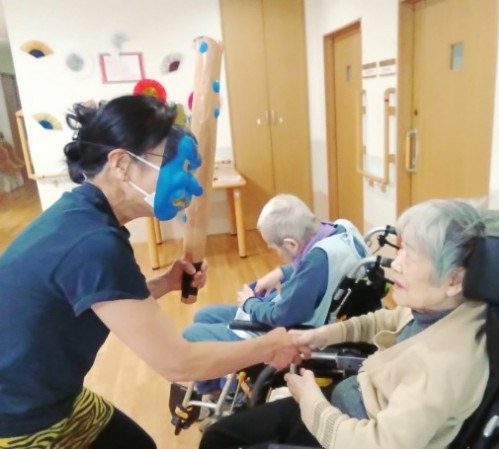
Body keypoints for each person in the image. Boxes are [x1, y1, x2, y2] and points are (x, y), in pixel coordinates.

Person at [0, 95, 301, 449]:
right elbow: (179, 363)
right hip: (20, 417)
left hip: (52, 394)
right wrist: (269, 345)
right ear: (122, 164)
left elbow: (96, 300)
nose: (192, 185)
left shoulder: (82, 214)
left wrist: (165, 283)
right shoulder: (94, 243)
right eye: (179, 167)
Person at [199, 199, 499, 449]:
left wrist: (309, 400)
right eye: (401, 248)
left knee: (220, 440)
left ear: (454, 279)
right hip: (348, 401)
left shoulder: (444, 366)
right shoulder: (446, 308)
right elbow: (389, 319)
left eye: (410, 255)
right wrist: (324, 335)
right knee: (222, 434)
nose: (396, 262)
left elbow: (375, 444)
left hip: (349, 431)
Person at [182, 193, 368, 394]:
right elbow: (312, 267)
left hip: (280, 330)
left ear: (291, 244)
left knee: (191, 335)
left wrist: (250, 303)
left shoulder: (316, 264)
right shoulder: (341, 229)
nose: (276, 253)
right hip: (290, 312)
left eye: (274, 248)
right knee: (203, 315)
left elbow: (280, 316)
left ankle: (219, 393)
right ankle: (217, 383)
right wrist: (281, 272)